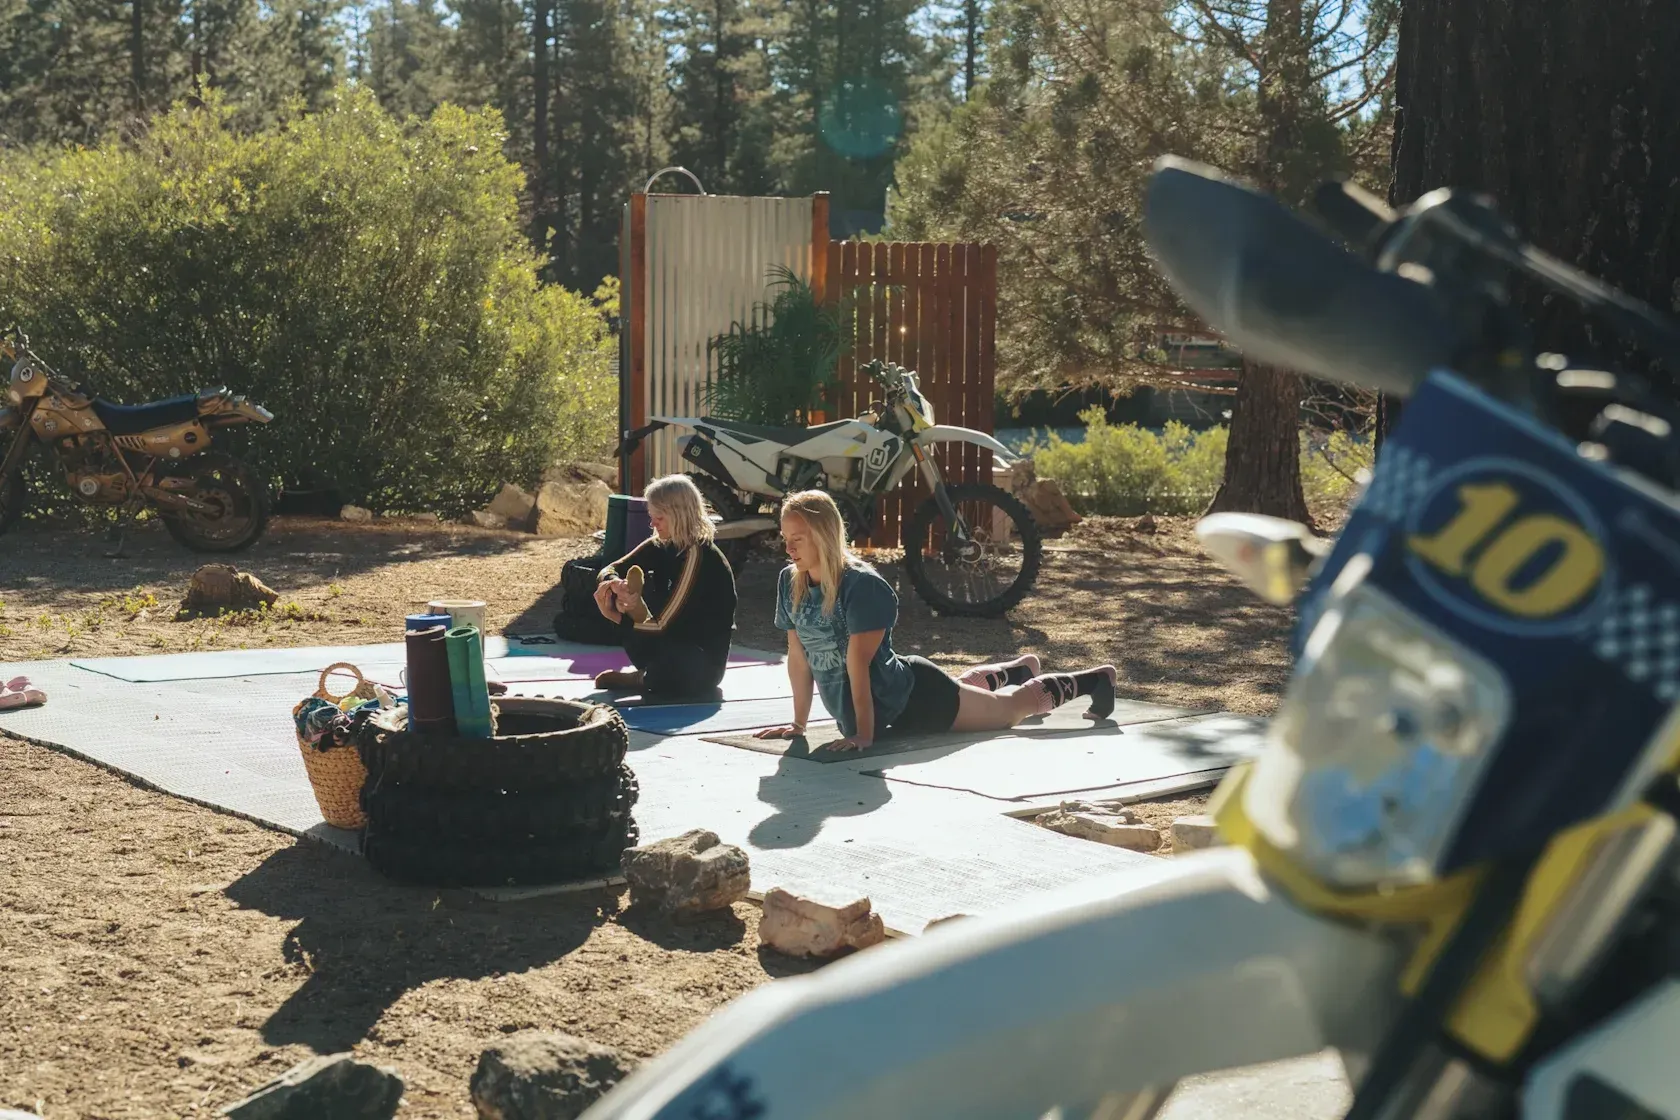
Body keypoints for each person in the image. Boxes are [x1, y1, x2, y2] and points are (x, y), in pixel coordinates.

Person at [754, 489, 1116, 751]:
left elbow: (857, 665)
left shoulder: (862, 587)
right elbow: (799, 658)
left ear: (823, 536)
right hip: (886, 703)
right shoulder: (791, 582)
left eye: (798, 539)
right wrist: (798, 725)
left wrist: (863, 736)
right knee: (969, 692)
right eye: (786, 538)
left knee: (1010, 711)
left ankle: (1097, 680)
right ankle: (1018, 671)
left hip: (918, 700)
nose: (788, 549)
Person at [592, 474, 738, 698]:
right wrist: (612, 584)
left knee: (675, 665)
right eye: (651, 517)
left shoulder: (696, 556)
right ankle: (646, 674)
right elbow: (610, 568)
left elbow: (663, 625)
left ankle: (641, 678)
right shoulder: (662, 544)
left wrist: (615, 617)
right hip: (667, 644)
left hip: (699, 661)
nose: (653, 524)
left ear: (678, 515)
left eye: (658, 518)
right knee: (639, 630)